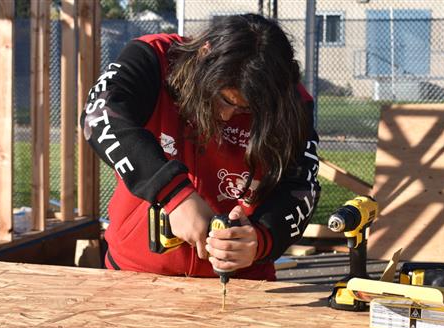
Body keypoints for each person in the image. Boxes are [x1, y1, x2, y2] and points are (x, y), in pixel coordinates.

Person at [81, 13, 320, 281]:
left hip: (242, 281)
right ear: (205, 54)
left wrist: (261, 239)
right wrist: (173, 194)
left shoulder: (291, 101)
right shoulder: (154, 58)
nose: (228, 115)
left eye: (245, 109)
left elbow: (300, 187)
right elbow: (98, 118)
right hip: (136, 271)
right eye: (224, 99)